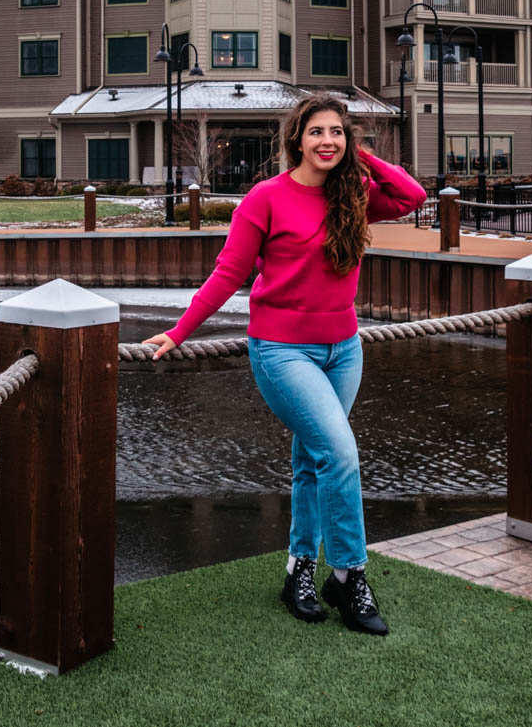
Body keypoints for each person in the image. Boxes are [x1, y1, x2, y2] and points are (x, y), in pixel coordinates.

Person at [143, 94, 427, 635]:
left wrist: (361, 159)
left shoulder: (354, 193)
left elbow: (411, 197)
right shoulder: (266, 198)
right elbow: (228, 274)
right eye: (317, 132)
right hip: (281, 350)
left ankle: (299, 568)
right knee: (340, 452)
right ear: (296, 138)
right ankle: (349, 575)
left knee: (313, 461)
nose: (328, 142)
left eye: (338, 133)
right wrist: (181, 330)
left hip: (344, 348)